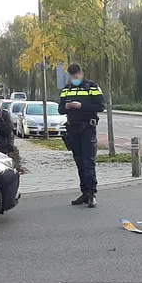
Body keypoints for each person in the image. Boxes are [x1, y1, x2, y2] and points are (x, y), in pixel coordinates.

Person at [58, 63, 105, 208]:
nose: (74, 78)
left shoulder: (92, 87)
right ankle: (84, 192)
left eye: (76, 75)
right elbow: (60, 109)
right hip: (73, 129)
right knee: (79, 162)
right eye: (72, 76)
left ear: (81, 74)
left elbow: (100, 106)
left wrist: (81, 106)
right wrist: (66, 107)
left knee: (88, 162)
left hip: (87, 129)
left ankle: (91, 194)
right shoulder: (67, 89)